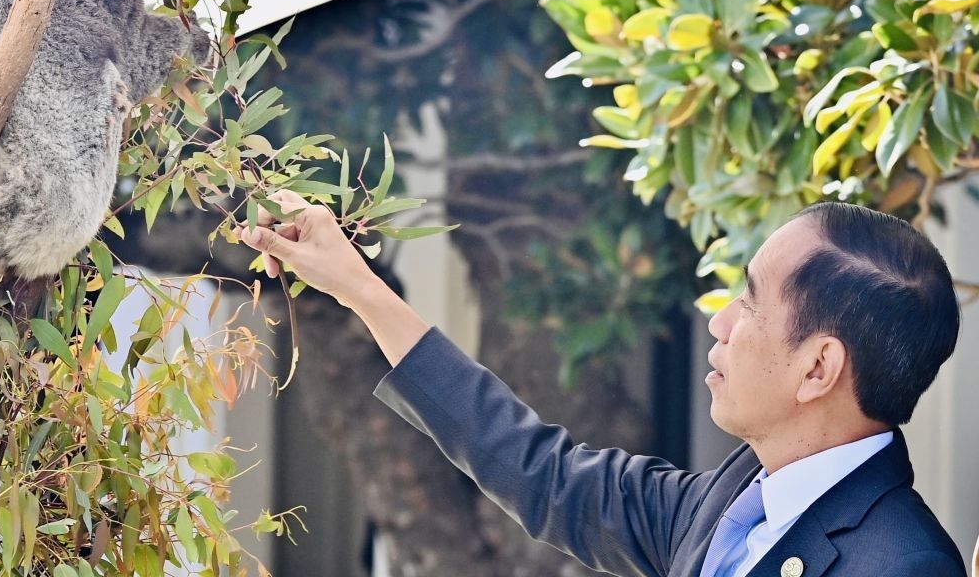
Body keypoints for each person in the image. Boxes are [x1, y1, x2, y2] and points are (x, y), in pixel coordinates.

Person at [236, 194, 965, 576]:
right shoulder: (739, 494)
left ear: (818, 369)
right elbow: (540, 473)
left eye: (749, 303)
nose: (717, 324)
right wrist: (360, 289)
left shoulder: (905, 564)